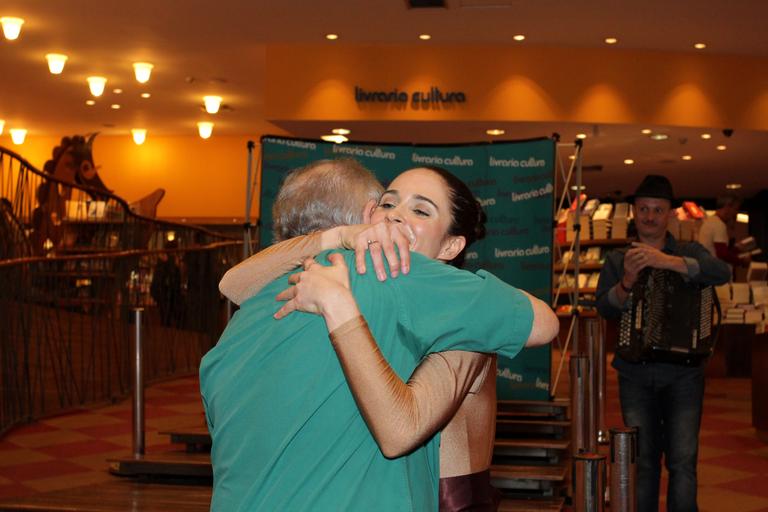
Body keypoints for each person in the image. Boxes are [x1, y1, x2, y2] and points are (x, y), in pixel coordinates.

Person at [201, 159, 557, 511]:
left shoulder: (408, 280)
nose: (396, 215)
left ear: (451, 247)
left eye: (421, 211)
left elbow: (233, 284)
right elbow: (232, 284)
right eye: (388, 203)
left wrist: (337, 286)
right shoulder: (348, 272)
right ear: (367, 215)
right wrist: (341, 240)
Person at [596, 175, 730, 512]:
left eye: (658, 210)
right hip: (634, 373)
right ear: (634, 212)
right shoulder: (617, 259)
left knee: (683, 462)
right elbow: (603, 308)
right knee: (642, 462)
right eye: (644, 209)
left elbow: (722, 272)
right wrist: (626, 281)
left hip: (684, 374)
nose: (650, 216)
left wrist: (670, 263)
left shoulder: (688, 250)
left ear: (670, 214)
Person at [697, 194, 743, 267]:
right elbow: (722, 254)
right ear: (728, 207)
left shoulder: (709, 222)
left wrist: (736, 249)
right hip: (715, 271)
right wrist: (742, 261)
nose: (735, 213)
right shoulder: (719, 225)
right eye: (735, 209)